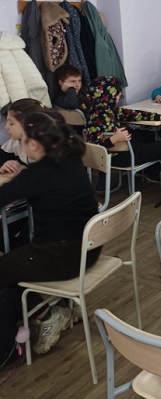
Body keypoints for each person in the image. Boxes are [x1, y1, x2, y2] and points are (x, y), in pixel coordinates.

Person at [0, 111, 100, 366]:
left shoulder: (39, 173)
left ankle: (8, 350)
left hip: (62, 257)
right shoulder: (70, 156)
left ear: (34, 144)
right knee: (15, 255)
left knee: (3, 270)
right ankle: (47, 310)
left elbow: (4, 195)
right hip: (88, 249)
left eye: (23, 141)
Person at [85, 76, 161, 182]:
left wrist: (158, 117)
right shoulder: (99, 117)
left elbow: (129, 113)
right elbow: (95, 146)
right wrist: (114, 139)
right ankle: (153, 172)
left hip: (116, 153)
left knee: (147, 134)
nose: (120, 95)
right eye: (117, 93)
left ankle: (143, 170)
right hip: (119, 157)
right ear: (109, 95)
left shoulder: (100, 109)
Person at [1, 98, 46, 172]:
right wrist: (4, 166)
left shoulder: (47, 148)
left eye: (11, 123)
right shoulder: (16, 142)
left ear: (28, 125)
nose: (6, 127)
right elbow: (2, 156)